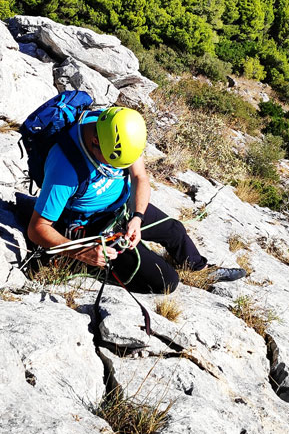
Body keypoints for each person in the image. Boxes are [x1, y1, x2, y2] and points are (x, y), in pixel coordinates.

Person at [26, 105, 209, 293]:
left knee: (175, 230)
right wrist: (81, 252)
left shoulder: (120, 133)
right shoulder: (64, 169)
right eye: (112, 162)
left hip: (123, 206)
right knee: (166, 281)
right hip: (93, 224)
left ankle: (200, 269)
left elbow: (139, 177)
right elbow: (37, 228)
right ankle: (86, 264)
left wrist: (137, 217)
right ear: (95, 141)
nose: (117, 168)